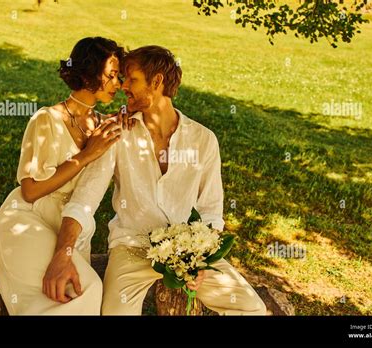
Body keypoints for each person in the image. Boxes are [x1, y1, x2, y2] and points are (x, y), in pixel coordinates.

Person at [49, 45, 267, 315]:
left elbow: (211, 210)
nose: (122, 85)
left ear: (157, 81)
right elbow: (86, 198)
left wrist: (201, 260)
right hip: (131, 248)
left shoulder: (203, 139)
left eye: (131, 79)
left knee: (252, 308)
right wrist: (63, 253)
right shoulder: (117, 132)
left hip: (189, 251)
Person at [0, 36, 125, 315]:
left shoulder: (102, 126)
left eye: (120, 77)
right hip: (25, 219)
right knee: (87, 289)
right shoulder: (46, 119)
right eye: (111, 75)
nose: (118, 84)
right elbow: (30, 190)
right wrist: (86, 155)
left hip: (65, 231)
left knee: (70, 293)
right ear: (89, 72)